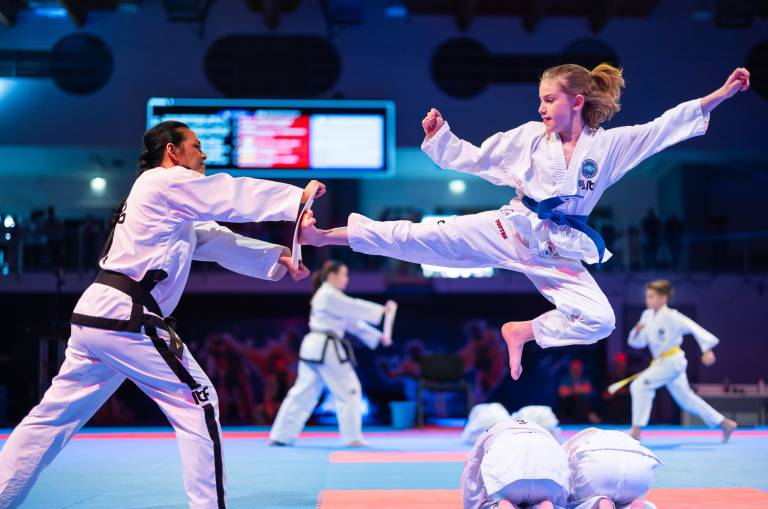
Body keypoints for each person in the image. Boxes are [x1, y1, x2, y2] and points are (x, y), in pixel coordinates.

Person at [297, 65, 751, 381]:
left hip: (559, 249)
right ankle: (322, 235)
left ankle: (523, 331)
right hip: (512, 229)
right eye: (540, 101)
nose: (542, 108)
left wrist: (721, 94)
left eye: (549, 100)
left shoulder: (609, 147)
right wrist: (442, 139)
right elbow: (478, 159)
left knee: (601, 321)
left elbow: (663, 128)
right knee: (419, 238)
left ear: (577, 101)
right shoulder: (531, 138)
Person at [0, 120, 322, 509]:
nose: (204, 154)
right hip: (125, 314)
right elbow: (226, 193)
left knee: (51, 419)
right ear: (172, 151)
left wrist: (277, 256)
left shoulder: (164, 201)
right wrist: (296, 199)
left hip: (98, 316)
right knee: (198, 402)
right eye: (196, 145)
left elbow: (211, 238)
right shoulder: (163, 181)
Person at [269, 260, 397, 447]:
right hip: (325, 348)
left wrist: (378, 337)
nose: (346, 279)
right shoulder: (328, 294)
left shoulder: (331, 298)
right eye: (344, 274)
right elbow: (353, 307)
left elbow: (352, 323)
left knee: (303, 393)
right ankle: (352, 437)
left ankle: (281, 435)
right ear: (332, 275)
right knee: (349, 389)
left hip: (315, 347)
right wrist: (382, 311)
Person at [625, 279, 737, 442]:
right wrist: (636, 331)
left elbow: (693, 327)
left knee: (639, 385)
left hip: (672, 361)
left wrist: (706, 349)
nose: (647, 300)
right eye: (647, 296)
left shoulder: (672, 316)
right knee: (686, 400)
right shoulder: (646, 316)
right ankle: (725, 423)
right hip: (661, 362)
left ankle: (636, 430)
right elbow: (638, 343)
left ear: (663, 298)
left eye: (651, 296)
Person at [462, 417, 570, 509]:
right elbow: (564, 467)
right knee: (547, 496)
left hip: (509, 478)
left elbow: (471, 470)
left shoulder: (488, 433)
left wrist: (474, 508)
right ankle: (544, 503)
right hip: (549, 476)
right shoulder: (543, 431)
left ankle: (502, 505)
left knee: (495, 499)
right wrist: (559, 502)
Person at [563, 428, 661, 509]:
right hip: (639, 471)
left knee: (573, 501)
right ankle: (632, 505)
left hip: (598, 469)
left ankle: (597, 503)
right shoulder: (621, 438)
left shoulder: (571, 445)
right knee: (628, 496)